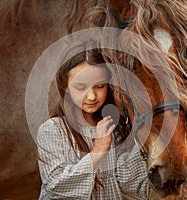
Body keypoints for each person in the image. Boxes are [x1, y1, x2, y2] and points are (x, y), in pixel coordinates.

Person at [37, 42, 148, 199]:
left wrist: (139, 136)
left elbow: (135, 186)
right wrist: (97, 152)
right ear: (65, 87)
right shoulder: (52, 130)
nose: (91, 96)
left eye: (100, 86)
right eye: (80, 87)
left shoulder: (113, 128)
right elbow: (55, 187)